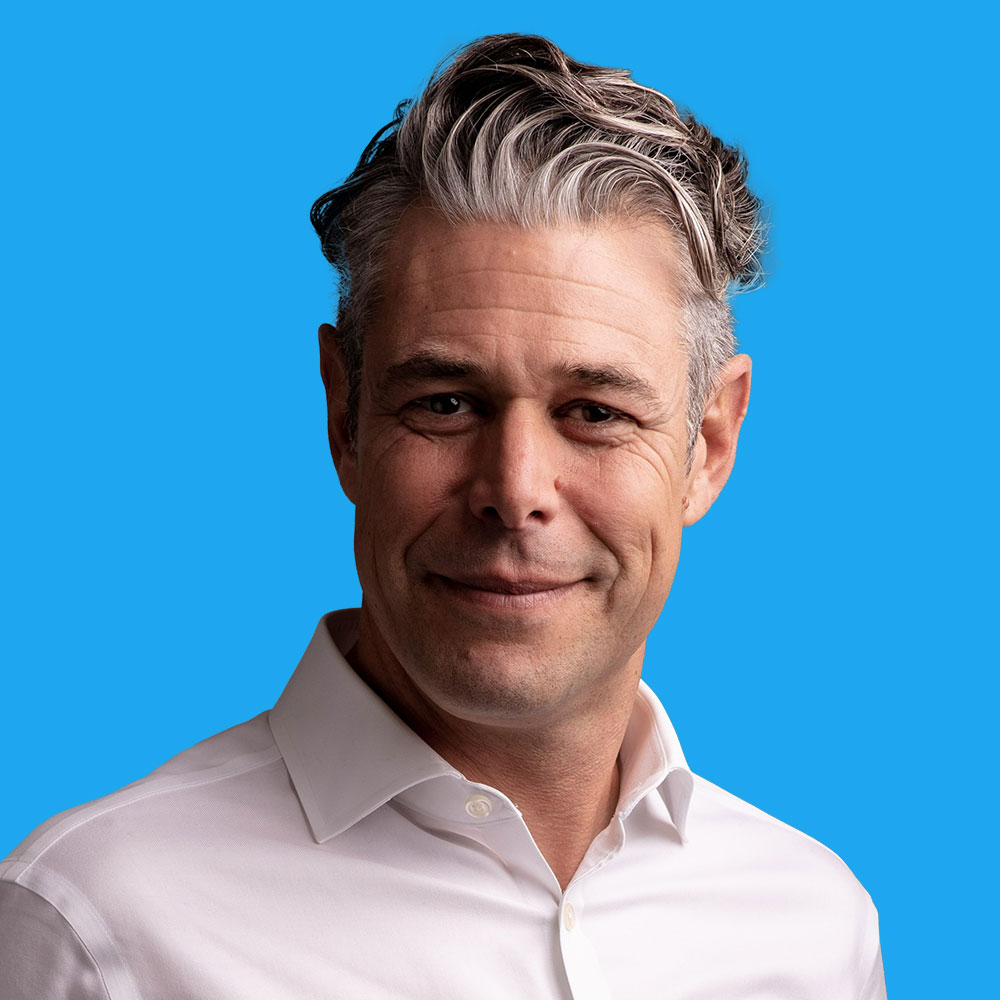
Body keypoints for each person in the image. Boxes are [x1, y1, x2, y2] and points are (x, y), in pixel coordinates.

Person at [0, 33, 886, 999]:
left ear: (707, 445)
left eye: (595, 413)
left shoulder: (812, 928)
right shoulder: (96, 923)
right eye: (446, 403)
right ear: (345, 414)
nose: (514, 492)